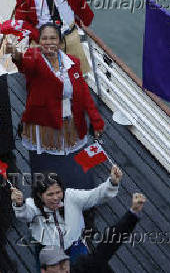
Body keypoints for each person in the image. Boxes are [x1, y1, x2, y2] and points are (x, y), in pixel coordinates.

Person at [0, 193, 147, 273]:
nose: (64, 268)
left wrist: (133, 213)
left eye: (64, 262)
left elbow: (108, 245)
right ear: (44, 272)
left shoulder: (82, 269)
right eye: (57, 265)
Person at [6, 23, 104, 189]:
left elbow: (84, 94)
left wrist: (96, 121)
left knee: (74, 161)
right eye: (44, 38)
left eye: (53, 38)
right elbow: (25, 65)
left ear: (59, 42)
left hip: (71, 121)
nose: (48, 42)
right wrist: (16, 54)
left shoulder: (72, 63)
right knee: (47, 164)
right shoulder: (34, 57)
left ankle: (78, 191)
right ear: (39, 41)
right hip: (44, 125)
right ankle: (46, 195)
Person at [11, 168, 122, 264]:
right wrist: (19, 204)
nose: (55, 198)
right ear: (40, 195)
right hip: (49, 253)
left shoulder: (71, 196)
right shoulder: (31, 205)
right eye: (50, 194)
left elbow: (96, 195)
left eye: (58, 192)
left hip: (77, 248)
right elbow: (24, 215)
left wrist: (112, 183)